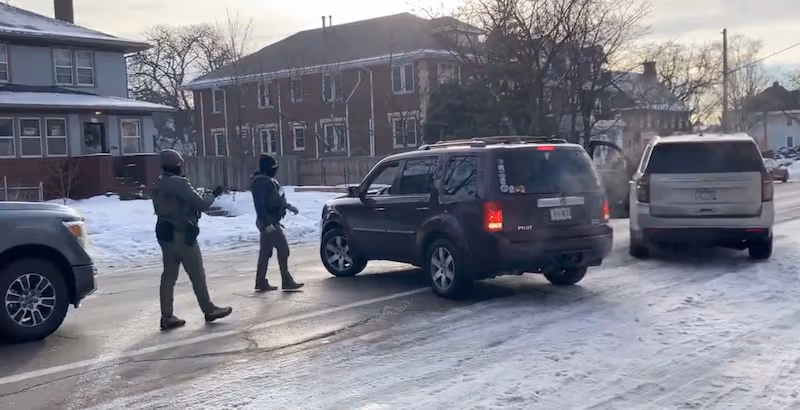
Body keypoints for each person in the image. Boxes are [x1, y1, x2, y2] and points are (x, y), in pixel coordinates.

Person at [152, 149, 233, 330]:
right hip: (182, 234)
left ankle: (167, 316)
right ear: (177, 165)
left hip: (165, 234)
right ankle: (209, 309)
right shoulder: (179, 183)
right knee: (197, 273)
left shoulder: (160, 182)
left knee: (169, 276)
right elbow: (201, 204)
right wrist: (213, 194)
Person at [251, 154, 304, 292]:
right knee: (283, 249)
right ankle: (286, 280)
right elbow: (260, 206)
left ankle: (260, 282)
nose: (275, 169)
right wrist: (267, 224)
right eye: (273, 166)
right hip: (269, 222)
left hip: (271, 221)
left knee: (265, 252)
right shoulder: (260, 183)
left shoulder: (268, 181)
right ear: (267, 167)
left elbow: (276, 199)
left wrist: (288, 206)